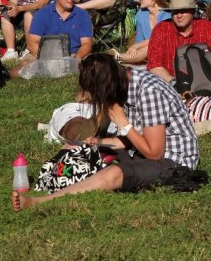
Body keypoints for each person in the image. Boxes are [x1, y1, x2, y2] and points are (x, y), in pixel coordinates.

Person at [11, 52, 200, 212]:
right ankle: (46, 181)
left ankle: (39, 202)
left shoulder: (149, 91)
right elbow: (135, 140)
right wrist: (97, 142)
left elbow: (155, 152)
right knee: (76, 147)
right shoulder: (125, 85)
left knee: (113, 173)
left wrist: (124, 124)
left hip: (173, 162)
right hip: (142, 150)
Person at [146, 0, 211, 83]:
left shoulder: (207, 28)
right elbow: (154, 64)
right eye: (175, 12)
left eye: (183, 11)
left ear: (192, 12)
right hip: (168, 82)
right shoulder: (161, 29)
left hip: (203, 81)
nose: (179, 15)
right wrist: (173, 82)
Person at [25, 0, 93, 61]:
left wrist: (75, 60)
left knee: (93, 64)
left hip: (74, 55)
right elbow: (32, 43)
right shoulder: (43, 14)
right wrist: (51, 60)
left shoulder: (83, 15)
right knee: (25, 66)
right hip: (45, 55)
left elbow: (87, 44)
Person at [113, 0, 170, 65]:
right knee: (148, 47)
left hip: (165, 51)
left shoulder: (167, 16)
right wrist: (134, 48)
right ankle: (119, 58)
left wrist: (136, 46)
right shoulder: (141, 14)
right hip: (147, 53)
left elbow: (158, 39)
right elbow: (139, 39)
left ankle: (117, 58)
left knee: (152, 45)